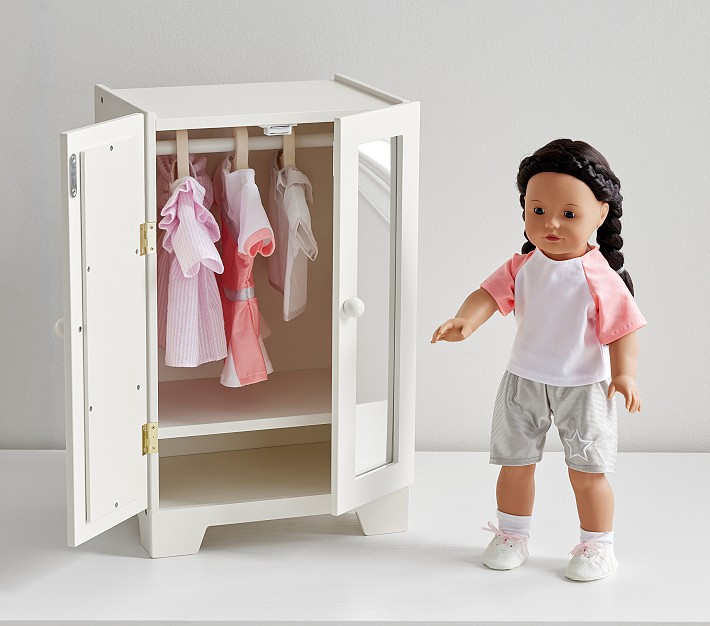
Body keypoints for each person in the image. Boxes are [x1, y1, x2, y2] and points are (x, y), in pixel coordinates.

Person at [431, 139, 647, 581]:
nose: (550, 223)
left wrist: (625, 375)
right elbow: (487, 295)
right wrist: (466, 321)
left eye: (568, 213)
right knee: (514, 465)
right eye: (538, 210)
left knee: (587, 472)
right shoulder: (523, 265)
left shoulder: (600, 276)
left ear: (600, 213)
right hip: (523, 382)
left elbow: (625, 328)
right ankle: (512, 534)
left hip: (584, 386)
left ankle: (598, 545)